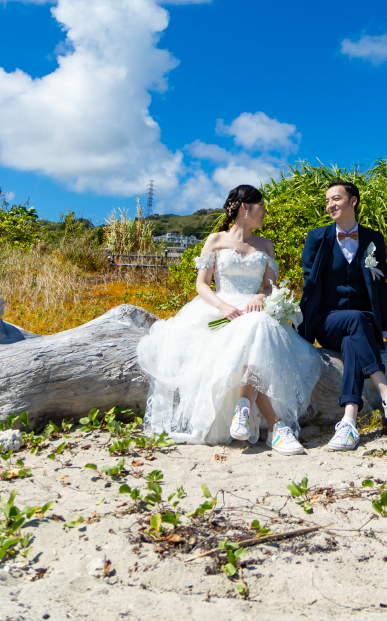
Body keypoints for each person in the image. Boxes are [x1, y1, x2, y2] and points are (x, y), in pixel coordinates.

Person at [136, 184, 322, 454]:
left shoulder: (265, 245)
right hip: (218, 309)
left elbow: (270, 287)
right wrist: (223, 307)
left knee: (258, 325)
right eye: (262, 206)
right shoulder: (216, 240)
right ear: (246, 207)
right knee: (255, 331)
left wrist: (261, 296)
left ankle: (244, 407)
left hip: (254, 310)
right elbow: (202, 284)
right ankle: (275, 427)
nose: (265, 212)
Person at [298, 179, 387, 451]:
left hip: (361, 325)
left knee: (355, 334)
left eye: (336, 198)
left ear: (353, 201)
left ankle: (349, 421)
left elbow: (381, 286)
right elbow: (309, 285)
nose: (330, 204)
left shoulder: (373, 239)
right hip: (326, 321)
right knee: (356, 320)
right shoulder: (317, 237)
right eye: (328, 200)